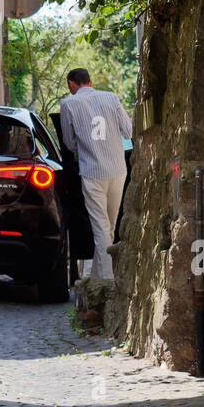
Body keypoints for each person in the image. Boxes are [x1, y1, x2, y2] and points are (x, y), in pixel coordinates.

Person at [59, 68, 132, 282]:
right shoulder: (111, 97)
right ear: (90, 81)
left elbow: (69, 143)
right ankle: (98, 278)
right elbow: (128, 130)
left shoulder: (68, 104)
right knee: (109, 225)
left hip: (92, 172)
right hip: (118, 169)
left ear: (72, 84)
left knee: (101, 227)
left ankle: (106, 281)